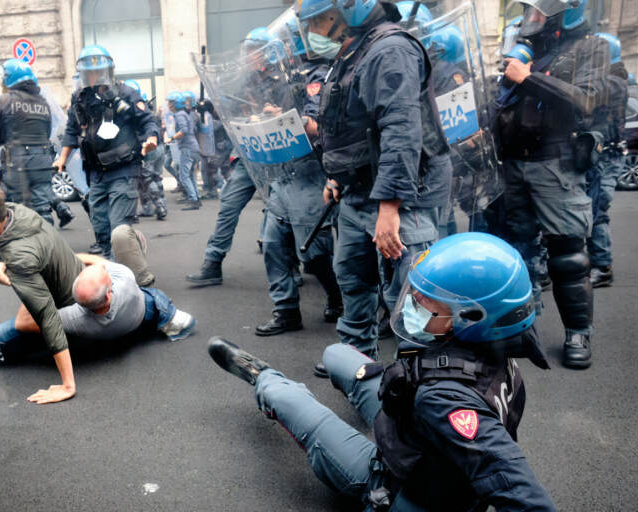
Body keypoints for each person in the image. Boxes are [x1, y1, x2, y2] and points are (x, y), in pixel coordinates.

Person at [208, 232, 556, 510]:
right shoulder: (504, 340)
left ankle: (262, 378)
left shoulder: (448, 402)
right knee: (336, 353)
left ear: (473, 317)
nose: (416, 305)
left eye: (428, 303)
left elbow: (520, 488)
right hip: (417, 430)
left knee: (294, 403)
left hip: (398, 480)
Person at [296, 0, 452, 375]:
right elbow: (349, 125)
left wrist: (390, 206)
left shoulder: (390, 49)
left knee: (409, 294)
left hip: (400, 196)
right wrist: (338, 177)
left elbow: (400, 129)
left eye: (320, 19)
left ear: (350, 9)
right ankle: (356, 356)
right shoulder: (356, 50)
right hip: (359, 189)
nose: (315, 30)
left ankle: (420, 376)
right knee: (353, 276)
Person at [0, 180, 161, 404]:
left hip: (70, 309)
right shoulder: (16, 211)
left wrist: (68, 385)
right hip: (76, 280)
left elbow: (46, 318)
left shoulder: (19, 256)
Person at [494, 0, 610, 368]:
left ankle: (578, 332)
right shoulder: (528, 48)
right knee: (519, 251)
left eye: (540, 12)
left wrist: (527, 77)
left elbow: (586, 100)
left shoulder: (591, 47)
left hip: (554, 162)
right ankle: (523, 327)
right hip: (514, 163)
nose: (532, 19)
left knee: (568, 255)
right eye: (530, 12)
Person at [250, 23, 343, 335]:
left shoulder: (317, 74)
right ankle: (286, 310)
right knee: (274, 244)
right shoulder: (277, 79)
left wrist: (289, 118)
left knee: (313, 251)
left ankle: (337, 297)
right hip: (282, 171)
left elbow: (316, 125)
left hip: (308, 172)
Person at [55, 46, 160, 258]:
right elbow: (71, 130)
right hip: (96, 173)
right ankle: (119, 258)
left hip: (124, 169)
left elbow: (148, 119)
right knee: (101, 226)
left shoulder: (125, 94)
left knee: (118, 228)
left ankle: (120, 274)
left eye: (98, 72)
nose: (94, 77)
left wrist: (152, 139)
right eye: (90, 73)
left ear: (108, 71)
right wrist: (62, 158)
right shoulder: (80, 99)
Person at [0, 259, 195, 362]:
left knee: (33, 331)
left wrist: (37, 284)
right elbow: (99, 262)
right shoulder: (125, 279)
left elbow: (22, 323)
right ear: (108, 294)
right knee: (152, 299)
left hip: (113, 330)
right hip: (139, 316)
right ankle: (169, 318)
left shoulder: (76, 317)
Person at [0, 58, 74, 228]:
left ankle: (22, 249)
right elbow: (47, 131)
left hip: (18, 162)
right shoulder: (42, 102)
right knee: (42, 207)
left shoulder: (4, 100)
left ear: (9, 79)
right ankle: (49, 247)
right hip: (43, 161)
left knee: (19, 210)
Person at [586, 33, 629, 288]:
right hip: (602, 155)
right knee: (593, 210)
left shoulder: (612, 83)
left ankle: (603, 266)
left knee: (598, 212)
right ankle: (597, 261)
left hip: (607, 157)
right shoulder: (614, 81)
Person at [125, 80, 167, 220]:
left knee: (146, 179)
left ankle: (159, 206)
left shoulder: (137, 114)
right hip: (158, 148)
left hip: (148, 148)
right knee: (154, 177)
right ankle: (150, 208)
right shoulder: (150, 113)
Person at [165, 91, 201, 210]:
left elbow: (184, 130)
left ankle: (193, 199)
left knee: (184, 176)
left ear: (176, 104)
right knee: (190, 175)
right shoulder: (185, 113)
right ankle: (196, 199)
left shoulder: (179, 114)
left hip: (188, 148)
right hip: (193, 147)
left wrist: (172, 138)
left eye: (170, 102)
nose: (169, 105)